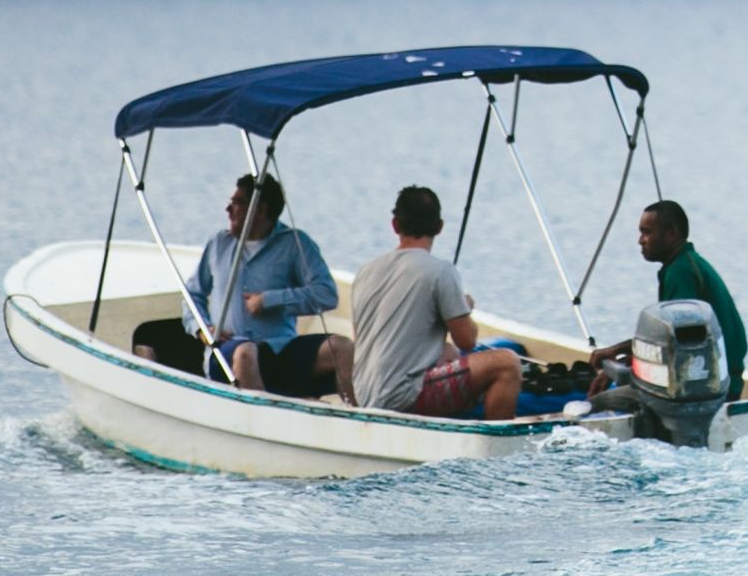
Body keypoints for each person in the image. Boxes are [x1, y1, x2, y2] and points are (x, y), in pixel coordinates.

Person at [342, 183, 521, 420]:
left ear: (395, 225)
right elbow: (467, 340)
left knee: (448, 351)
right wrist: (463, 308)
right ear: (439, 227)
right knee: (507, 363)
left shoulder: (366, 271)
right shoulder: (440, 271)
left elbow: (363, 337)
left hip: (365, 394)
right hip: (403, 397)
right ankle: (494, 441)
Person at [189, 171, 346, 401]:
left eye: (237, 203)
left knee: (343, 348)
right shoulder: (218, 244)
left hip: (281, 350)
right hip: (229, 350)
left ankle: (359, 416)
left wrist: (270, 300)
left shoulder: (295, 243)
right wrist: (202, 328)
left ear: (260, 210)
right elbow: (192, 294)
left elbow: (327, 294)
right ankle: (267, 418)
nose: (228, 209)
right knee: (246, 352)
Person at [581, 200, 748, 398]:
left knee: (599, 402)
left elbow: (675, 341)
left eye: (647, 232)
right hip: (719, 377)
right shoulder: (685, 263)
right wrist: (627, 359)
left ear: (671, 234)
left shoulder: (680, 272)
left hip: (712, 386)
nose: (640, 240)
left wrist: (615, 351)